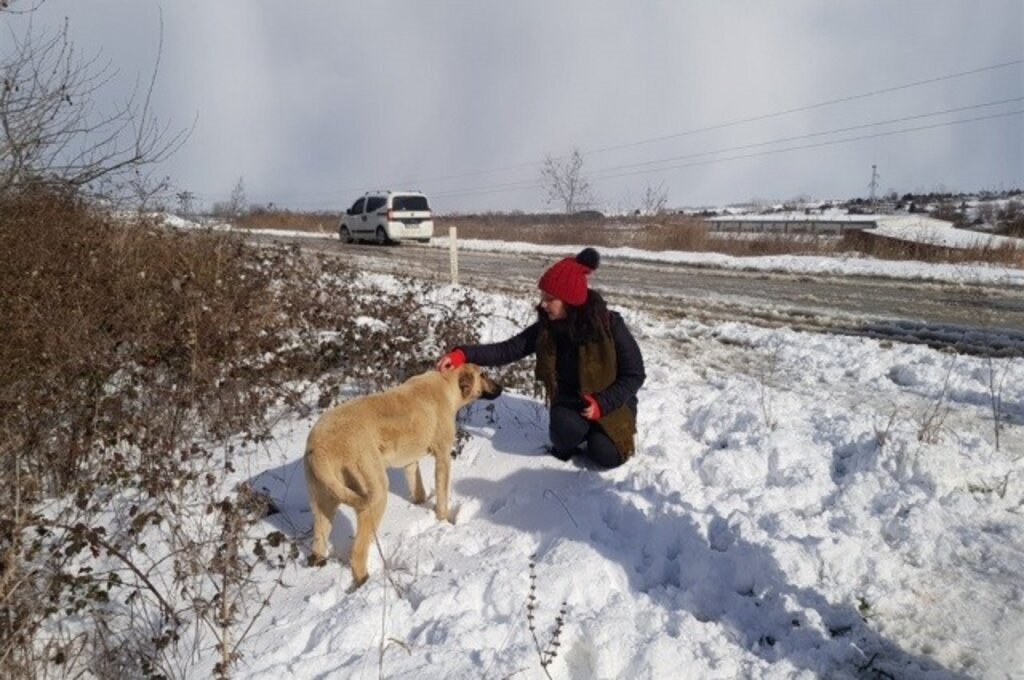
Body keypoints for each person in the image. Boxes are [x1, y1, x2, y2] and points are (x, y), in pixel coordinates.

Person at [436, 247, 645, 468]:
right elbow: (508, 350)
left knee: (604, 454)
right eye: (543, 297)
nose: (543, 304)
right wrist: (462, 354)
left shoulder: (610, 326)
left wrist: (602, 404)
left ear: (570, 301)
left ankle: (597, 435)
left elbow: (634, 375)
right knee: (564, 430)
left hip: (611, 403)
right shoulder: (547, 329)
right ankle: (576, 438)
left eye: (550, 298)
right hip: (573, 402)